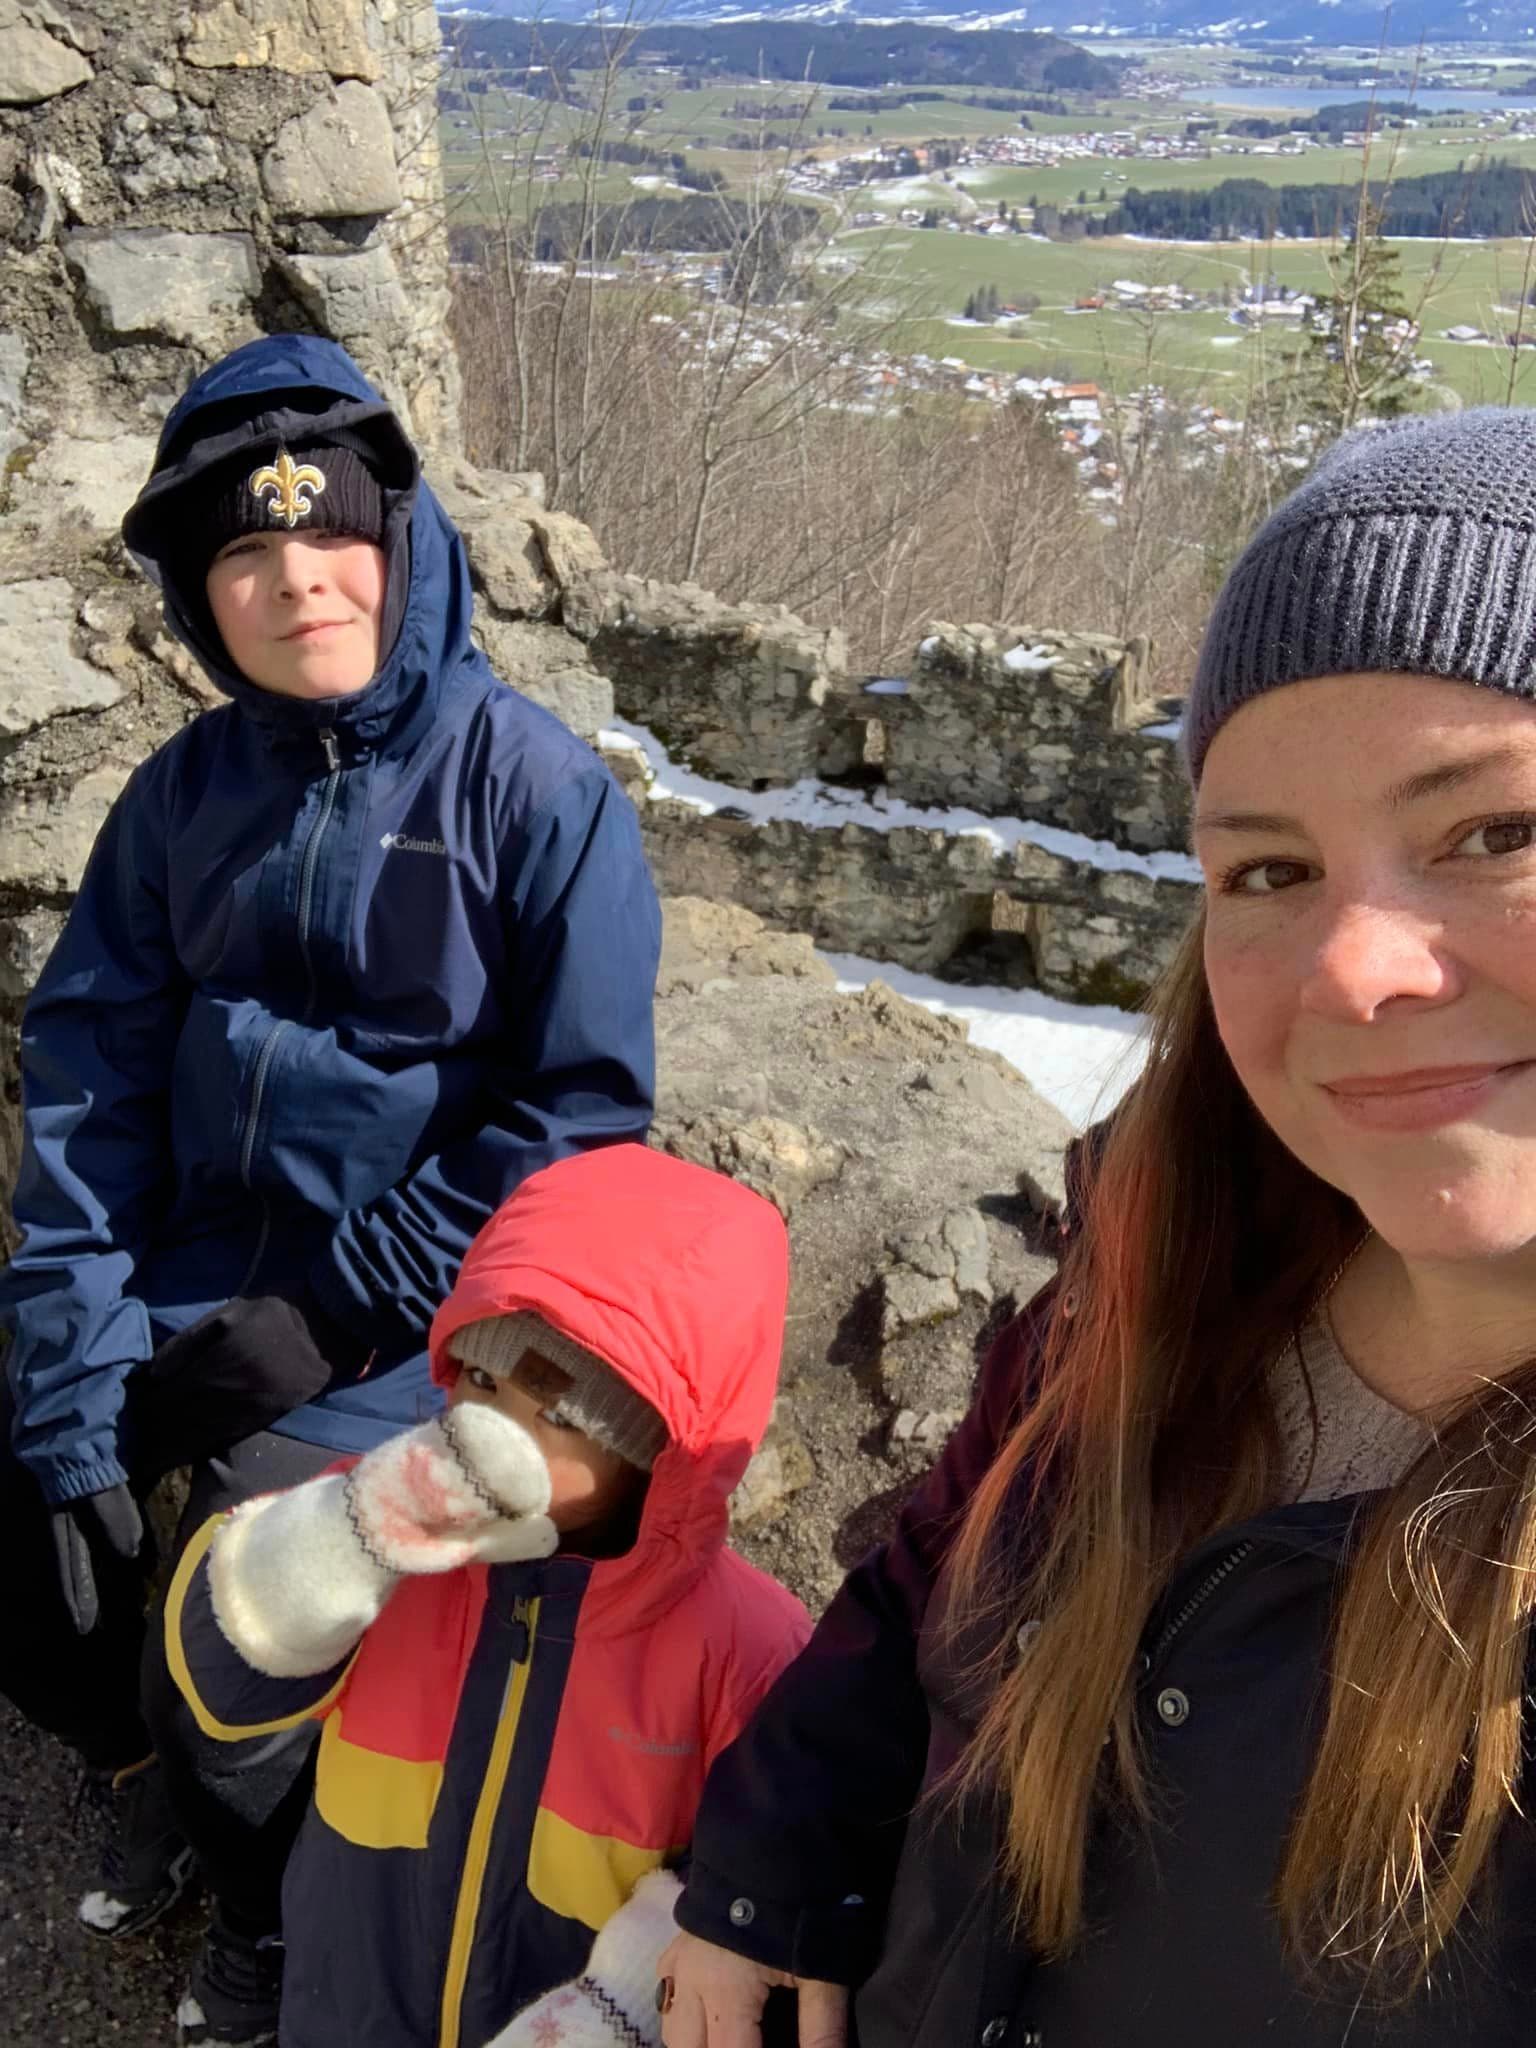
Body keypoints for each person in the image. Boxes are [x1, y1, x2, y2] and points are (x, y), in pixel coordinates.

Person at [656, 406, 1536, 2048]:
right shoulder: (1167, 1270)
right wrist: (778, 1848)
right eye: (1267, 868)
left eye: (1494, 831)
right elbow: (940, 1570)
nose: (1355, 970)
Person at [0, 335, 660, 2042]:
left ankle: (267, 1890)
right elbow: (88, 1074)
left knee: (262, 1563)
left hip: (414, 1314)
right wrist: (70, 1351)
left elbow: (581, 1114)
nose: (293, 575)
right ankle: (160, 1750)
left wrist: (331, 1312)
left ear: (404, 539)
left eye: (329, 531)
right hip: (189, 1270)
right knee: (34, 1506)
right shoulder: (183, 797)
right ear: (193, 590)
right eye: (238, 548)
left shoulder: (533, 793)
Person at [164, 1142, 810, 2048]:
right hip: (350, 2001)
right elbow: (221, 1689)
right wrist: (346, 1538)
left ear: (657, 1457)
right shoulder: (388, 1527)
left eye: (557, 1416)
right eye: (479, 1379)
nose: (490, 1431)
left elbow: (765, 1874)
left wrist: (622, 2010)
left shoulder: (745, 1647)